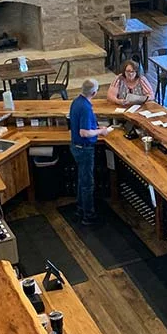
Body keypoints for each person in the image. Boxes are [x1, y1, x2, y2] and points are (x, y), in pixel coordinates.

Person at [69, 78, 110, 225]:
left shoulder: (76, 102)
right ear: (94, 93)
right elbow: (84, 132)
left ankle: (80, 208)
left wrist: (96, 128)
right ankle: (88, 215)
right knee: (87, 183)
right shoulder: (86, 108)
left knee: (82, 180)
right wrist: (101, 131)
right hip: (84, 149)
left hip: (75, 146)